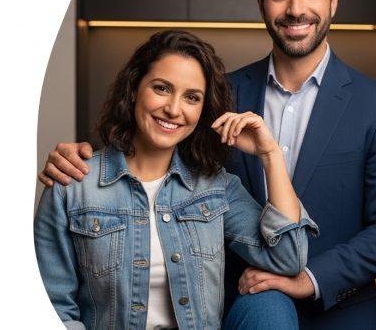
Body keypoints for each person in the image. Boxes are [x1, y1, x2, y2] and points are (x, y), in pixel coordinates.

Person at [39, 0, 376, 329]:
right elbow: (151, 159)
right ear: (261, 2)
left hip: (336, 314)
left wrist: (309, 280)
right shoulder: (215, 95)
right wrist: (75, 164)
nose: (295, 9)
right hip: (236, 310)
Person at [34, 30, 318, 330]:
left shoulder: (215, 187)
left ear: (202, 110)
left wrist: (270, 154)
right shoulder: (74, 185)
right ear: (134, 89)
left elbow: (288, 258)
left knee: (272, 306)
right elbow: (54, 308)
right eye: (161, 88)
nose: (173, 109)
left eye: (191, 97)